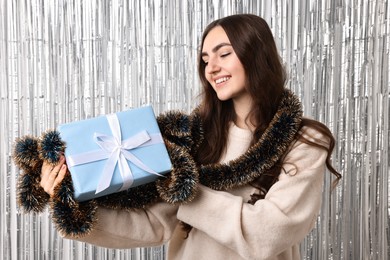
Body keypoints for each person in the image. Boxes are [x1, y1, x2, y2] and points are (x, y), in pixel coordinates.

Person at [40, 14, 341, 260]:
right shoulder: (197, 136)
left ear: (257, 54)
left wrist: (184, 190)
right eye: (205, 59)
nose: (212, 67)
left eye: (224, 53)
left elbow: (266, 233)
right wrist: (70, 197)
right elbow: (154, 223)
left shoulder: (304, 140)